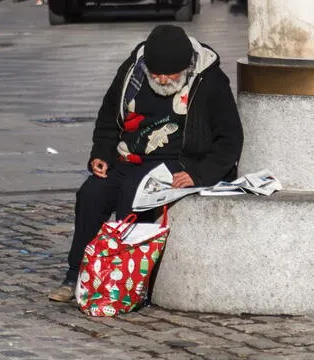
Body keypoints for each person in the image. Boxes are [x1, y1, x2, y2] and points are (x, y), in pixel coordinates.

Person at [48, 25, 243, 302]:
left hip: (178, 162)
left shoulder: (209, 80)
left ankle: (128, 281)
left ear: (186, 67)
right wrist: (101, 154)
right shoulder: (133, 72)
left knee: (133, 194)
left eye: (170, 74)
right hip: (128, 157)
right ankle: (76, 273)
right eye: (156, 74)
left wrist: (199, 174)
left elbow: (230, 139)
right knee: (92, 194)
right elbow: (108, 118)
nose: (163, 80)